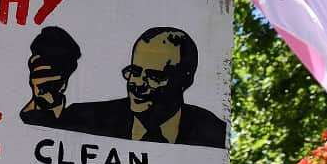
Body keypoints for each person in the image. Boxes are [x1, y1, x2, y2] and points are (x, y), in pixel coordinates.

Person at [58, 27, 227, 147]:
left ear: (185, 80)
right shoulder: (80, 120)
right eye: (135, 71)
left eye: (154, 76)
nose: (138, 83)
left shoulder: (214, 135)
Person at [19, 26, 82, 127]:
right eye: (36, 83)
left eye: (49, 85)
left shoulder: (79, 117)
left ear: (63, 85)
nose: (40, 91)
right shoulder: (26, 118)